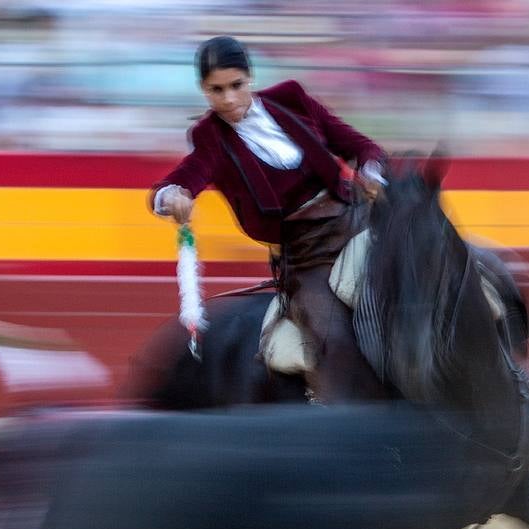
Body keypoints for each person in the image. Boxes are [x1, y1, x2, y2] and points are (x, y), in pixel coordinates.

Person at [149, 36, 388, 402]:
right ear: (204, 91)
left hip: (358, 220)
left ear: (251, 79)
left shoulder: (293, 98)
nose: (228, 100)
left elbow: (360, 147)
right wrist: (173, 197)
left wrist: (372, 172)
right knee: (331, 337)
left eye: (236, 86)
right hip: (308, 256)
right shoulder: (209, 137)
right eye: (216, 90)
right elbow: (176, 183)